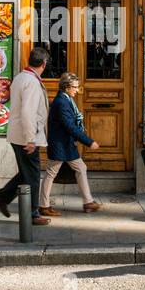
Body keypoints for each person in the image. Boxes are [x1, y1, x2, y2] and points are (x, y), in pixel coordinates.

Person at [0, 47, 52, 226]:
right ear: (44, 63)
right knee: (32, 175)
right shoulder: (32, 82)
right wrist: (30, 139)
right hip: (26, 137)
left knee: (26, 172)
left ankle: (2, 197)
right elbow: (27, 112)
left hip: (18, 134)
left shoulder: (20, 77)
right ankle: (32, 213)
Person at [38, 73, 102, 216]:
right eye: (75, 87)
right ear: (66, 87)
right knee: (51, 173)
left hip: (66, 144)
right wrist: (88, 141)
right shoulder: (61, 102)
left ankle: (88, 202)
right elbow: (70, 126)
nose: (77, 90)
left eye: (77, 87)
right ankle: (43, 205)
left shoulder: (66, 100)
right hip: (60, 144)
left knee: (80, 168)